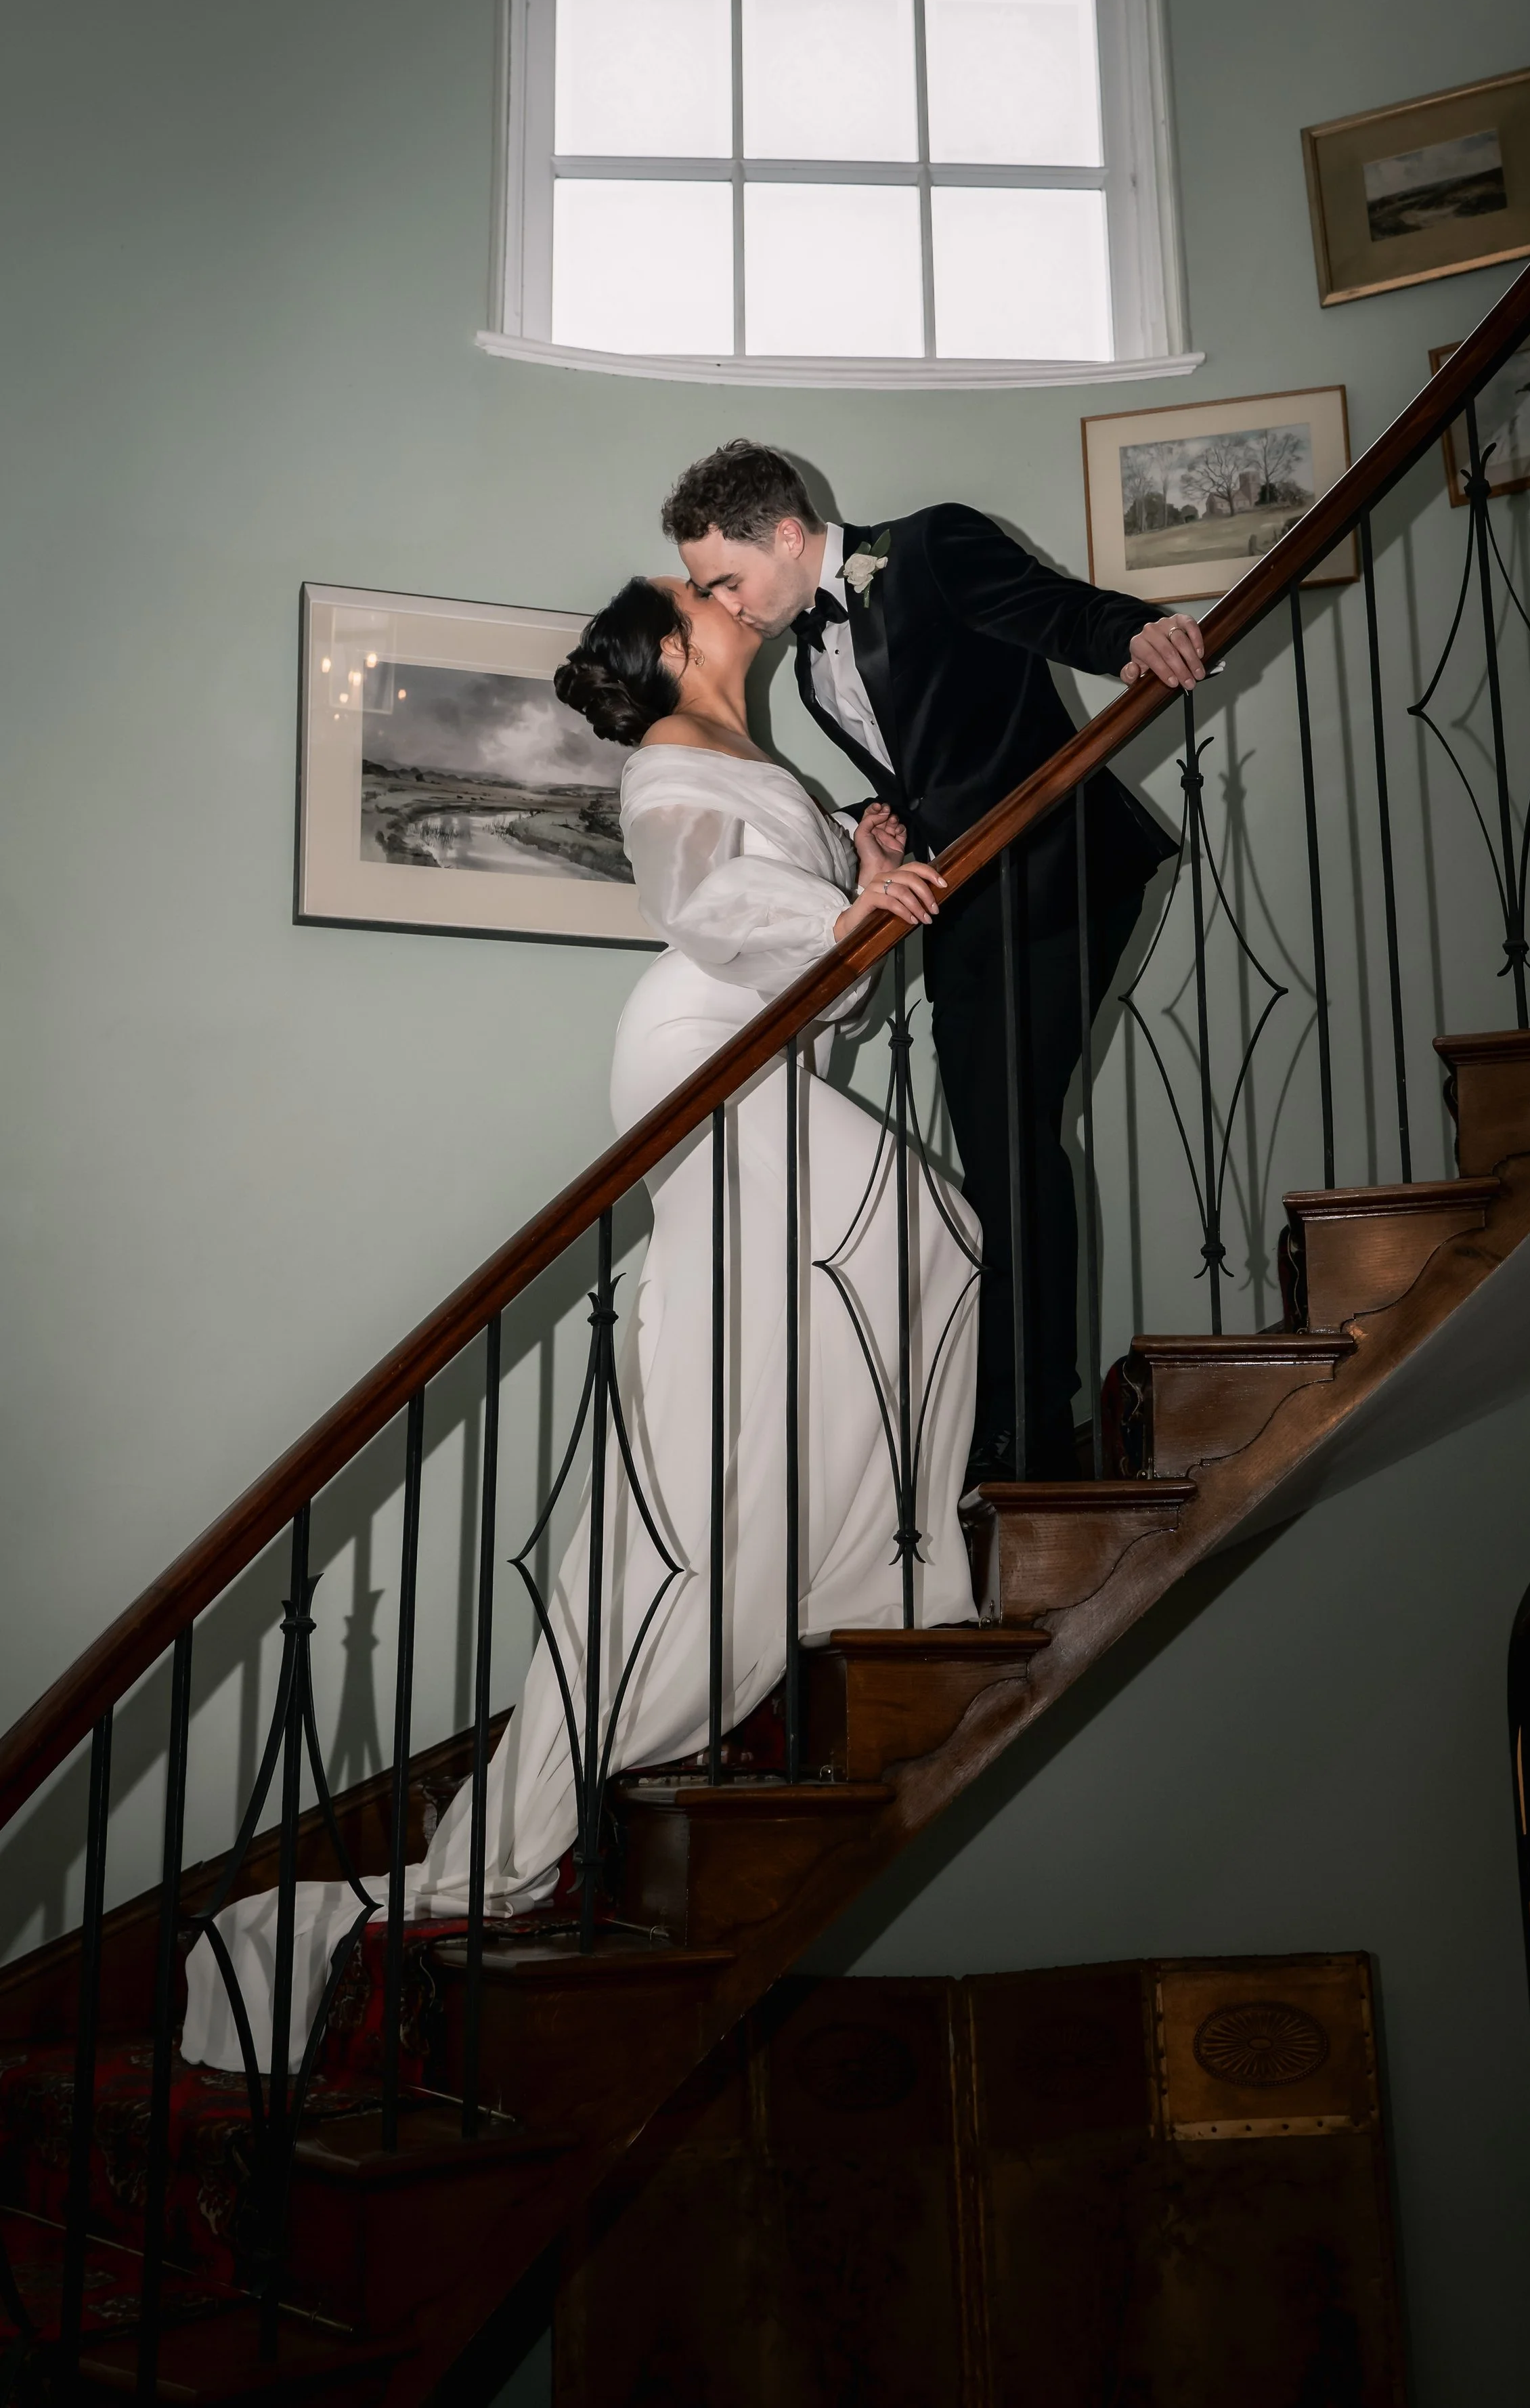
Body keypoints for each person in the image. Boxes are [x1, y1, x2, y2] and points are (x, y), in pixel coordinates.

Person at [181, 576, 980, 2073]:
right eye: (704, 592)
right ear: (679, 646)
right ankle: (872, 1582)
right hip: (685, 1045)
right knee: (904, 1247)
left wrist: (860, 866)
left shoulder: (768, 762)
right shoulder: (674, 758)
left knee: (854, 1285)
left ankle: (841, 1572)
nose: (733, 596)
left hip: (738, 1043)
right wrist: (835, 903)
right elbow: (697, 901)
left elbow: (824, 990)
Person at [663, 442, 1208, 1482]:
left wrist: (1137, 631)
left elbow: (1057, 608)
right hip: (964, 906)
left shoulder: (929, 546)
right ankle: (1008, 1414)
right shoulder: (802, 647)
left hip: (1061, 872)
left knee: (1010, 1141)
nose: (719, 601)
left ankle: (1031, 1426)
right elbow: (929, 756)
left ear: (785, 533)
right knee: (988, 1158)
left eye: (724, 577)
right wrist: (894, 825)